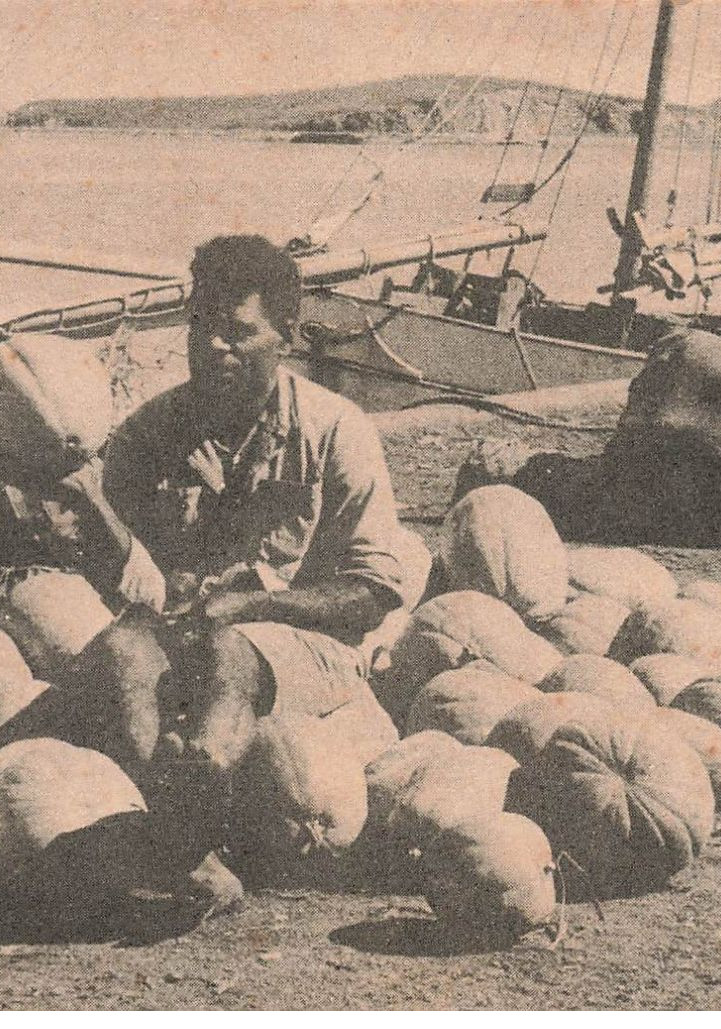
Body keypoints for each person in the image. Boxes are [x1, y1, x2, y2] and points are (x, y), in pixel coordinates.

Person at [56, 234, 430, 907]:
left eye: (236, 333)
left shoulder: (334, 430)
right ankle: (186, 846)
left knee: (230, 649)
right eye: (199, 328)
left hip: (306, 648)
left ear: (284, 336)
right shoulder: (148, 434)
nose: (211, 349)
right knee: (117, 651)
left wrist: (256, 607)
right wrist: (84, 512)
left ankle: (187, 803)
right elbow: (123, 578)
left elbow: (372, 592)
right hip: (183, 635)